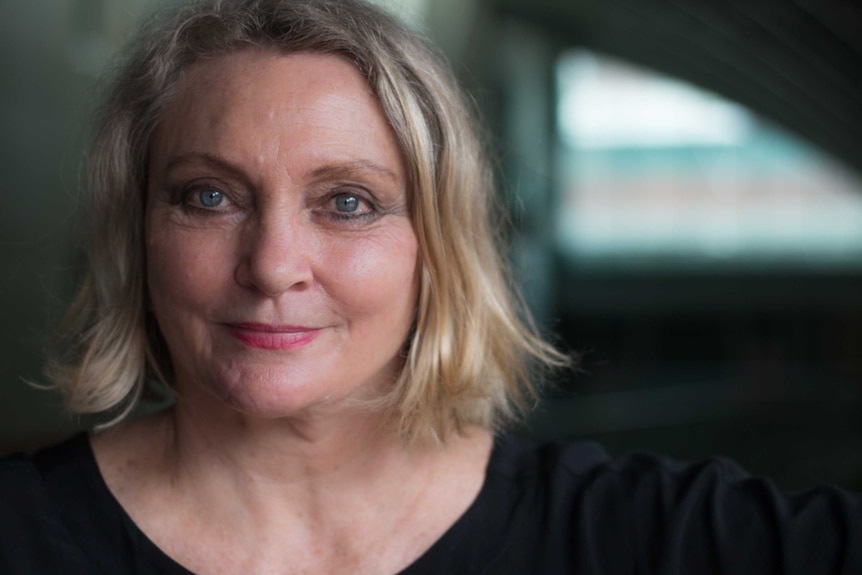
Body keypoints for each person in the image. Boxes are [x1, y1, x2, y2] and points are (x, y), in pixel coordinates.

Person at [0, 0, 860, 573]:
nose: (271, 263)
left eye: (348, 202)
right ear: (139, 235)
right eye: (209, 196)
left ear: (437, 247)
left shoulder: (638, 537)